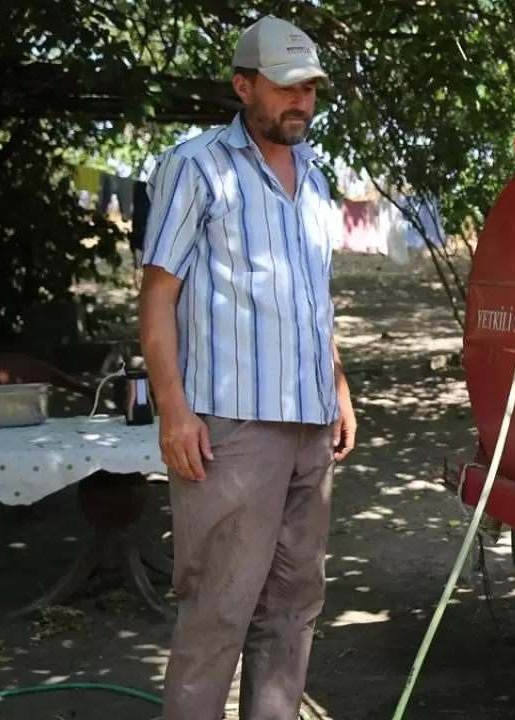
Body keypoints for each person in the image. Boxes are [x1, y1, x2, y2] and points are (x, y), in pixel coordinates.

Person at [137, 15, 356, 720]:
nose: (302, 102)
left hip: (310, 425)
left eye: (311, 89)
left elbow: (311, 295)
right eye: (287, 88)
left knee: (294, 609)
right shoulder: (196, 166)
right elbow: (158, 293)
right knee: (219, 614)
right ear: (243, 86)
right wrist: (173, 408)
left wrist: (340, 388)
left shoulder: (317, 175)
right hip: (231, 429)